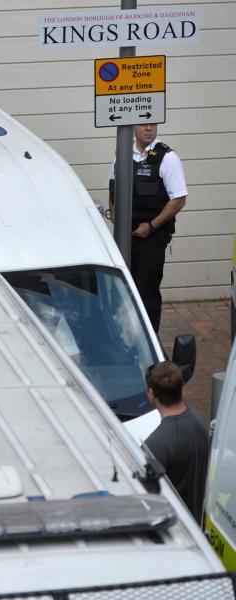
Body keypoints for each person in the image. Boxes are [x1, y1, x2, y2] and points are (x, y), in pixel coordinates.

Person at [108, 123, 188, 333]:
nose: (149, 128)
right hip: (125, 238)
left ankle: (149, 345)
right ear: (134, 127)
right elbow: (113, 190)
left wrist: (151, 226)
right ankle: (125, 339)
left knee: (147, 293)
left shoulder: (167, 158)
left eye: (153, 124)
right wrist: (117, 222)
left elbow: (179, 199)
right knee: (123, 291)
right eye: (144, 124)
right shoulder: (122, 155)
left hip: (151, 239)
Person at [142, 361, 209, 520]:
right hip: (197, 522)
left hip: (175, 528)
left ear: (151, 393)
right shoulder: (202, 422)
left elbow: (145, 499)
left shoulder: (155, 444)